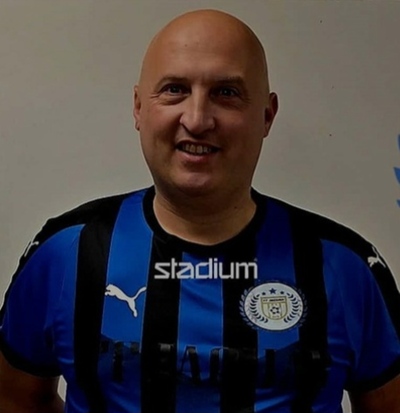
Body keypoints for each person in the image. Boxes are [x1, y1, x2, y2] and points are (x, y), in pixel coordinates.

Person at [0, 9, 399, 413]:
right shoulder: (67, 252)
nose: (197, 119)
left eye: (226, 92)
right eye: (174, 89)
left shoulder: (344, 265)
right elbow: (15, 399)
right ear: (138, 107)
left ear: (266, 115)